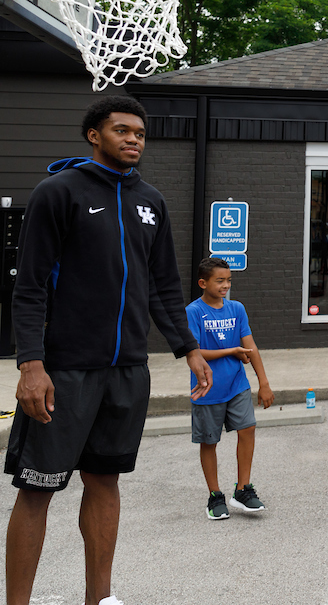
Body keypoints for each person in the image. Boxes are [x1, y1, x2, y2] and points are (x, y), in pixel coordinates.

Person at [6, 95, 212, 605]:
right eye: (122, 130)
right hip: (65, 370)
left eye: (139, 133)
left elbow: (164, 285)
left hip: (127, 371)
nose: (134, 139)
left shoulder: (152, 201)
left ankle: (99, 598)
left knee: (105, 481)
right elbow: (29, 288)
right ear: (94, 135)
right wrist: (31, 364)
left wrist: (188, 348)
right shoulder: (59, 192)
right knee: (38, 489)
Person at [187, 257, 275, 520]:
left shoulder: (236, 309)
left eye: (228, 281)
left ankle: (242, 489)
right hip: (207, 388)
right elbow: (194, 351)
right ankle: (215, 495)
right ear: (203, 283)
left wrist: (264, 382)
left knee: (247, 428)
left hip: (236, 384)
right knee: (209, 441)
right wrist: (232, 351)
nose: (226, 285)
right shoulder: (193, 312)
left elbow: (251, 347)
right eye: (220, 281)